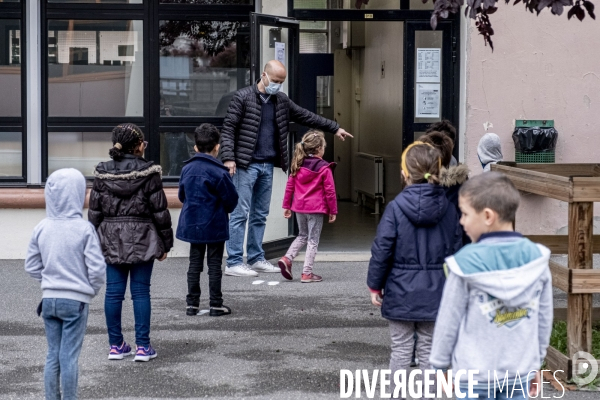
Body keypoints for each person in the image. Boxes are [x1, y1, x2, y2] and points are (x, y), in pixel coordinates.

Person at [220, 60, 352, 277]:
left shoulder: (280, 101)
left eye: (281, 82)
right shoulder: (242, 97)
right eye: (275, 81)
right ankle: (234, 261)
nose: (278, 85)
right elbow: (228, 129)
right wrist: (229, 158)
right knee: (240, 213)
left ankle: (255, 258)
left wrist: (335, 128)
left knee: (260, 214)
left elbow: (306, 115)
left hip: (267, 165)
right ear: (263, 75)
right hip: (245, 165)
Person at [430, 172, 552, 399]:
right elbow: (543, 318)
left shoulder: (463, 264)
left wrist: (438, 366)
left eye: (465, 214)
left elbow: (449, 320)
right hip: (520, 372)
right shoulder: (537, 259)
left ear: (487, 216)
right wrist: (537, 361)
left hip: (474, 375)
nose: (461, 221)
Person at [367, 142, 463, 395]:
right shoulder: (449, 209)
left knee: (400, 349)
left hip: (400, 291)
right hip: (437, 292)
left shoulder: (395, 208)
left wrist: (375, 285)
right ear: (438, 170)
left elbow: (382, 249)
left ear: (404, 173)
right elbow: (456, 250)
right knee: (430, 350)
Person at [88, 123, 173, 362]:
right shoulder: (149, 172)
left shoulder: (102, 172)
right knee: (140, 292)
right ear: (138, 146)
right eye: (143, 143)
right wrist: (166, 244)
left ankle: (116, 345)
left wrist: (92, 242)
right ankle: (143, 348)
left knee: (113, 293)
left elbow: (94, 212)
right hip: (144, 236)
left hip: (110, 237)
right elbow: (160, 211)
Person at [25, 168, 106, 400]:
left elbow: (31, 265)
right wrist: (90, 289)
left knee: (53, 354)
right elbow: (97, 269)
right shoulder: (84, 229)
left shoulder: (42, 227)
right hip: (76, 301)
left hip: (49, 300)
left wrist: (48, 282)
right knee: (69, 356)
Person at [176, 124, 239, 317]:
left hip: (193, 223)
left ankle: (192, 304)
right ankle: (215, 304)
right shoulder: (219, 172)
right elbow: (232, 200)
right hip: (215, 224)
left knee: (194, 264)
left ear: (195, 147)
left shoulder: (187, 169)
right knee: (214, 266)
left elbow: (181, 195)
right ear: (217, 147)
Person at [278, 130, 337, 283]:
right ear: (319, 149)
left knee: (302, 235)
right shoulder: (324, 168)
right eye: (324, 147)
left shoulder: (297, 164)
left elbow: (289, 187)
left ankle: (287, 258)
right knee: (312, 240)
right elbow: (330, 191)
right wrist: (333, 210)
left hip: (299, 208)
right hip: (316, 209)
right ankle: (307, 273)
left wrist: (287, 206)